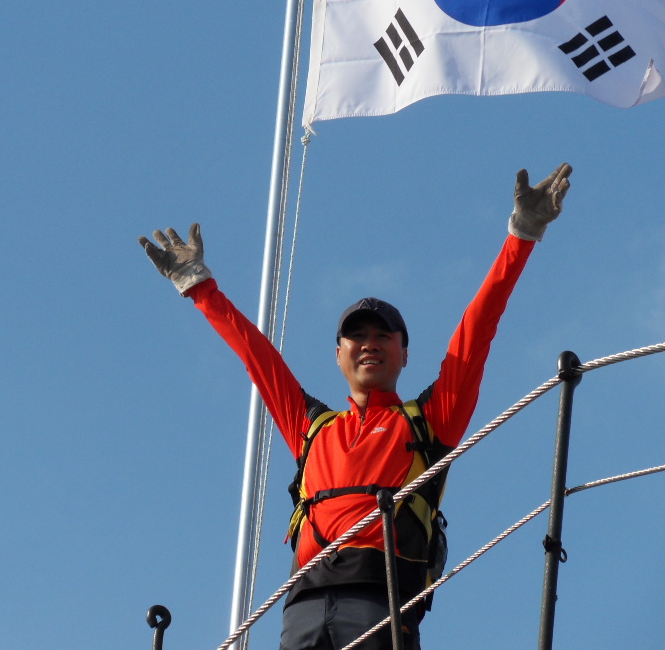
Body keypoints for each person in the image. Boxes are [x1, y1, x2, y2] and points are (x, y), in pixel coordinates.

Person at [139, 164, 572, 650]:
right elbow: (257, 357)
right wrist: (199, 286)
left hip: (382, 598)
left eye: (383, 335)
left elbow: (476, 332)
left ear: (404, 354)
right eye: (357, 335)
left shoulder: (431, 421)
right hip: (302, 603)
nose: (370, 343)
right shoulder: (312, 426)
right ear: (338, 354)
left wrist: (521, 236)